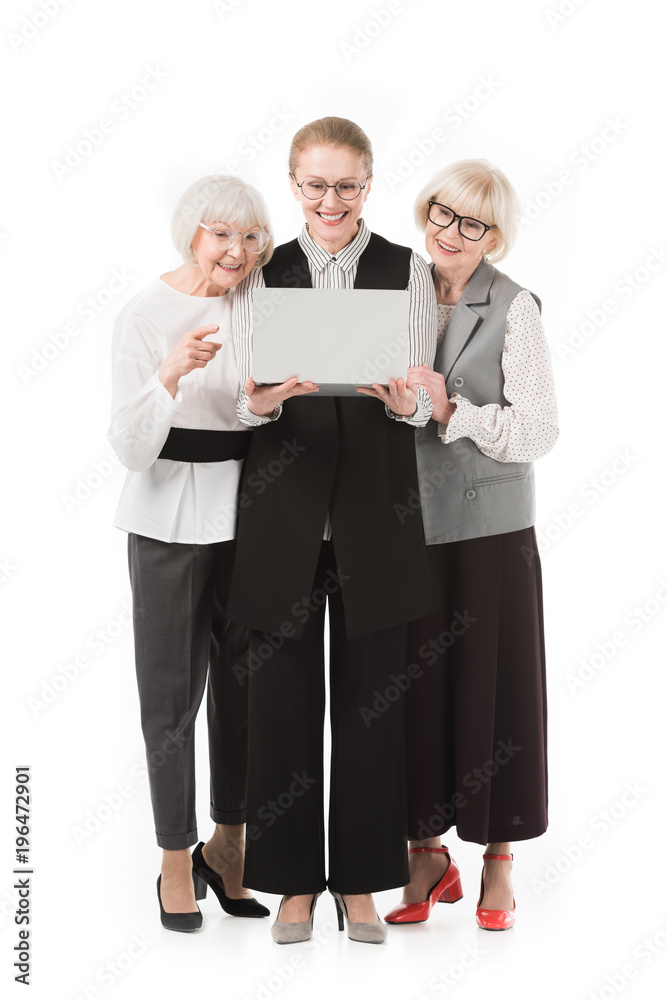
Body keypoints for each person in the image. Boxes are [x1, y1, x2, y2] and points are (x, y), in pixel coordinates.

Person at [228, 116, 439, 944]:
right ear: (292, 185)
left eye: (345, 184)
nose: (330, 200)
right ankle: (289, 885)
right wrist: (260, 402)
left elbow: (421, 392)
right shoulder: (262, 270)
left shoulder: (405, 270)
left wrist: (406, 402)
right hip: (281, 516)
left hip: (375, 516)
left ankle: (359, 883)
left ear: (368, 184)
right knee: (279, 701)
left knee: (370, 704)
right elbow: (239, 398)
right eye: (314, 184)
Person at [384, 159, 558, 931]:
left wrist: (451, 410)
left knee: (496, 687)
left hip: (489, 531)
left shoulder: (513, 308)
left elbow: (537, 431)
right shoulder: (400, 291)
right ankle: (424, 855)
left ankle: (497, 862)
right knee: (411, 691)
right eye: (441, 214)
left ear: (496, 237)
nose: (450, 233)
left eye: (473, 224)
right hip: (404, 526)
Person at [108, 175, 272, 931]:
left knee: (246, 689)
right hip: (168, 517)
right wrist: (169, 375)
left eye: (248, 236)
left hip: (251, 517)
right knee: (171, 700)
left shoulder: (262, 302)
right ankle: (174, 856)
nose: (235, 251)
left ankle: (228, 845)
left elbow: (259, 410)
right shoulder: (144, 314)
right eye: (220, 235)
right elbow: (131, 448)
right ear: (191, 235)